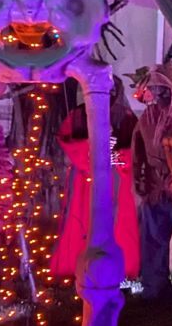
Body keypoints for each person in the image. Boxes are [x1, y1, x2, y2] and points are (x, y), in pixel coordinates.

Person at [52, 84, 142, 285]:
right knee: (81, 218)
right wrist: (90, 153)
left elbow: (136, 147)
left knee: (118, 221)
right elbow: (67, 140)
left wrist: (118, 156)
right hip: (85, 178)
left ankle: (121, 269)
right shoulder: (78, 114)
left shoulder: (125, 116)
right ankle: (74, 268)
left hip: (115, 178)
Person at [131, 69, 172, 300]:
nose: (158, 93)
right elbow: (137, 150)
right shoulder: (147, 118)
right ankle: (154, 287)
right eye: (155, 89)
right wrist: (139, 181)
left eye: (162, 88)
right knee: (152, 239)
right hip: (155, 187)